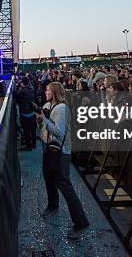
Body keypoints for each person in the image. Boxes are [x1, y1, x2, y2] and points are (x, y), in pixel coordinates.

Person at [36, 81, 90, 240]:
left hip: (60, 153)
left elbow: (58, 132)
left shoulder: (61, 109)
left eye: (48, 90)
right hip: (49, 150)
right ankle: (53, 205)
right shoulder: (48, 105)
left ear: (55, 92)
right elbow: (44, 128)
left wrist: (45, 121)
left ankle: (81, 222)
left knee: (64, 185)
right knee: (49, 179)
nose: (45, 93)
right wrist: (40, 121)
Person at [14, 76, 36, 150]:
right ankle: (34, 144)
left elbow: (15, 94)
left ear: (22, 83)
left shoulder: (22, 91)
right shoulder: (32, 88)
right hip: (32, 112)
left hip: (24, 113)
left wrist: (17, 86)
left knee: (26, 130)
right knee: (32, 130)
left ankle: (28, 146)